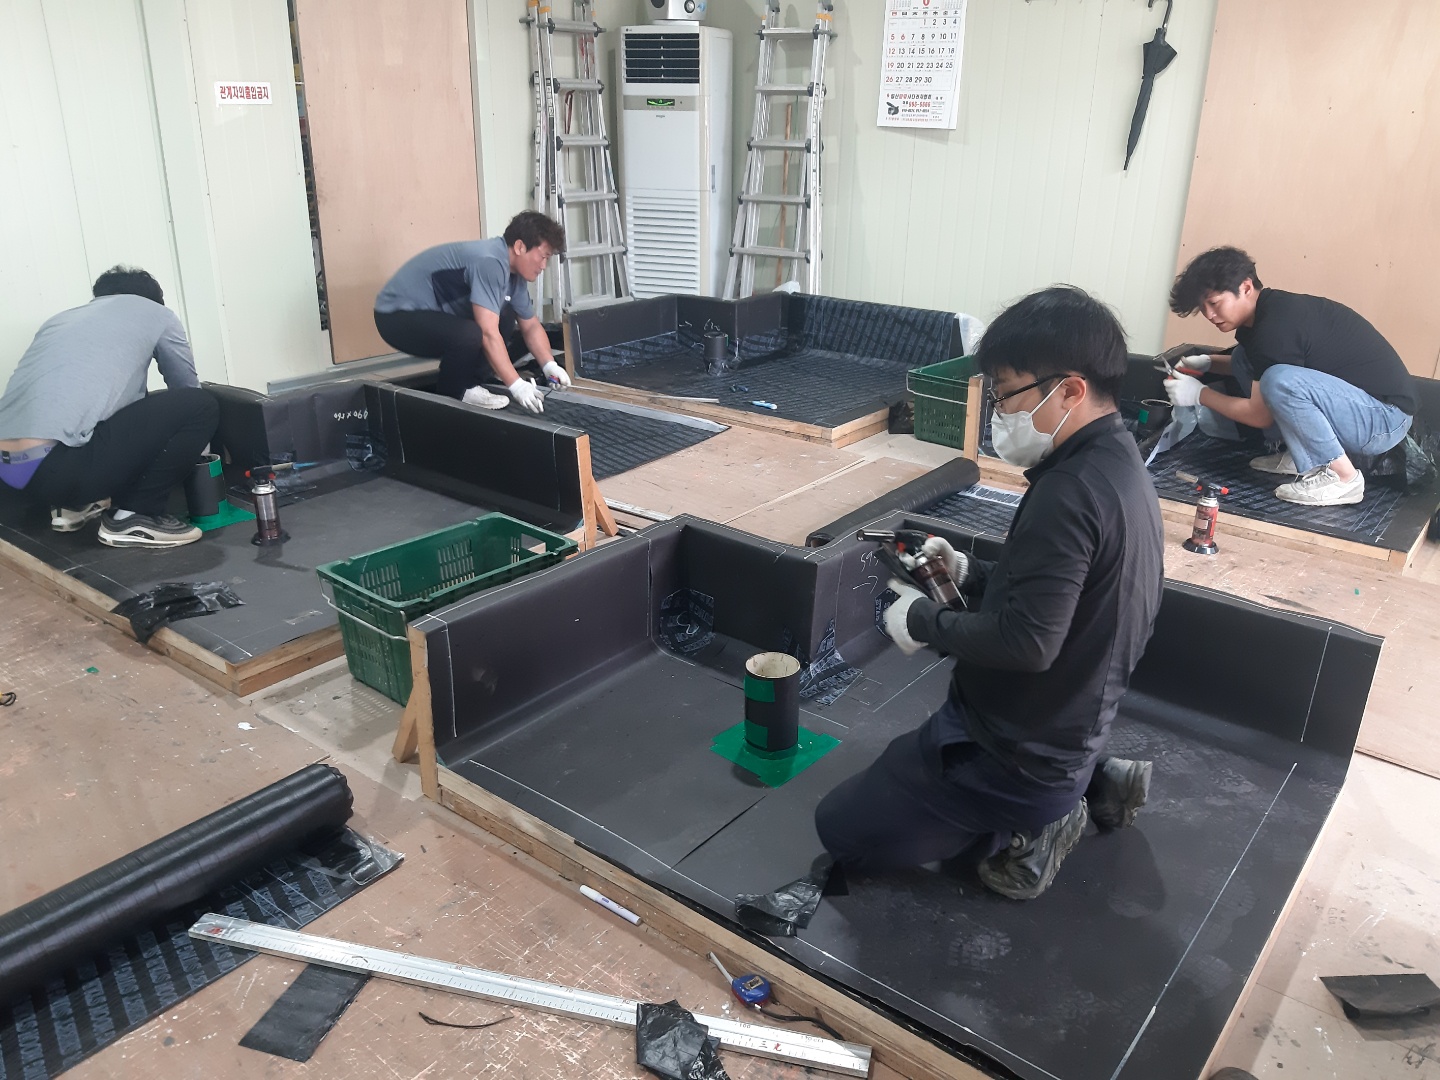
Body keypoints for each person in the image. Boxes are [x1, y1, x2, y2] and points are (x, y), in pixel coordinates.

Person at [814, 286, 1165, 900]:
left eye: (1006, 394)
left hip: (1014, 756)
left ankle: (1045, 818)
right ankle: (1093, 778)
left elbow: (1028, 643)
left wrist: (920, 621)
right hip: (1070, 720)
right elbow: (1065, 588)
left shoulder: (1070, 494)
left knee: (840, 829)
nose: (999, 412)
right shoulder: (1116, 465)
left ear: (1070, 390)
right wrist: (972, 572)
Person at [1165, 246, 1417, 507]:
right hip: (1365, 410)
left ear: (1246, 287)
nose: (1209, 315)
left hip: (1383, 420)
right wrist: (1207, 364)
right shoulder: (1267, 315)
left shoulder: (1275, 328)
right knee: (1243, 358)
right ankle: (1303, 457)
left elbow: (1259, 415)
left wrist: (1199, 394)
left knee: (1279, 380)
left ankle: (1344, 478)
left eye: (1215, 303)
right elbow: (1258, 363)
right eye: (1203, 307)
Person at [0, 266, 217, 550]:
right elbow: (185, 386)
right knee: (201, 406)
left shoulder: (60, 320)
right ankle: (136, 516)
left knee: (97, 417)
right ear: (154, 300)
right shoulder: (157, 314)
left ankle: (73, 505)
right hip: (62, 472)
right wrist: (199, 453)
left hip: (9, 475)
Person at [373, 211, 570, 413]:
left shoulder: (514, 275)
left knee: (505, 314)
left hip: (432, 315)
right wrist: (517, 385)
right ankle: (452, 397)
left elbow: (530, 326)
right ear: (520, 247)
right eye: (543, 256)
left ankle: (473, 384)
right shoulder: (489, 261)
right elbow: (487, 332)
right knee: (470, 334)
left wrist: (549, 366)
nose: (544, 266)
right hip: (394, 316)